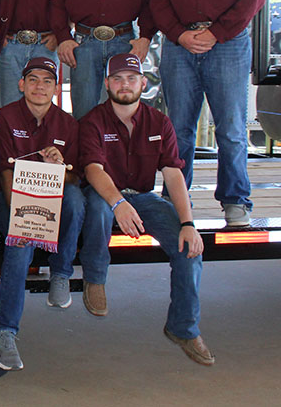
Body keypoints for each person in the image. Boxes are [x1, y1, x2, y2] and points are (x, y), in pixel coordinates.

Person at [79, 53, 211, 366]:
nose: (125, 85)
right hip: (103, 195)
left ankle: (184, 328)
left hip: (143, 196)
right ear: (107, 83)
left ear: (143, 83)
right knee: (97, 209)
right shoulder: (93, 120)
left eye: (131, 78)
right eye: (117, 79)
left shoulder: (159, 122)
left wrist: (188, 222)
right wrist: (118, 203)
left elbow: (173, 172)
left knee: (189, 248)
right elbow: (94, 169)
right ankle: (95, 279)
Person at [150, 0, 266, 227]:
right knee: (179, 128)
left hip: (228, 46)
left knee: (230, 128)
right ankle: (175, 199)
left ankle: (235, 201)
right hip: (180, 46)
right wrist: (178, 34)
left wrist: (217, 33)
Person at [0, 56, 84, 371]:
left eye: (47, 81)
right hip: (10, 199)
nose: (39, 86)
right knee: (21, 242)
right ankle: (4, 331)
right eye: (33, 79)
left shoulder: (68, 124)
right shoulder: (4, 118)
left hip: (51, 200)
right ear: (21, 84)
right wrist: (22, 218)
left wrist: (59, 168)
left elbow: (75, 178)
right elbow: (4, 174)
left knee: (74, 197)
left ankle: (61, 273)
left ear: (56, 88)